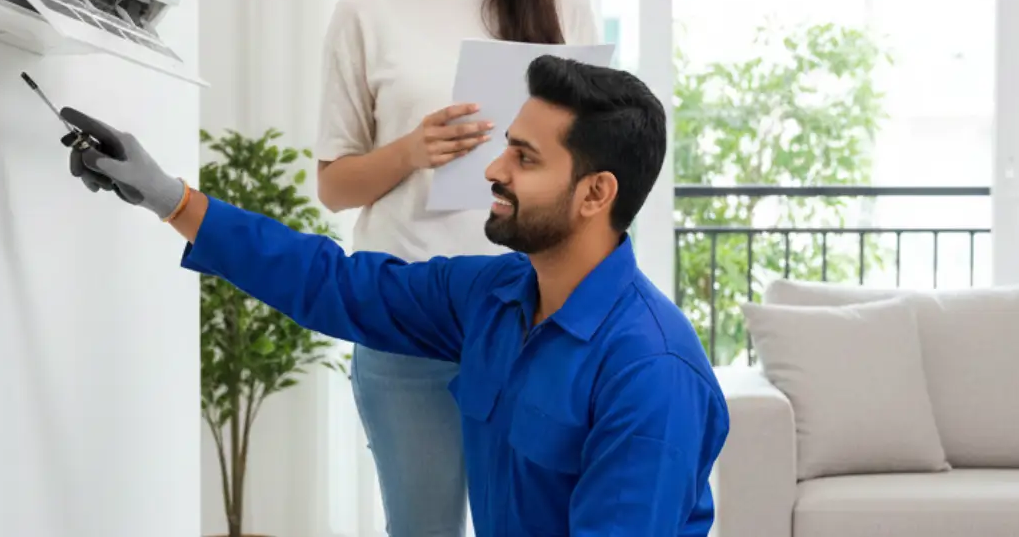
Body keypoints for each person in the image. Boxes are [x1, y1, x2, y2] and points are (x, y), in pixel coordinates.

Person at [57, 55, 730, 537]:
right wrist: (170, 198)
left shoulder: (652, 374)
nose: (493, 169)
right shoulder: (493, 296)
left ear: (595, 194)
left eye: (524, 158)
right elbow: (334, 283)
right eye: (507, 148)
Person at [313, 0, 600, 536]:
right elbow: (334, 186)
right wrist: (411, 151)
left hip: (532, 312)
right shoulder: (367, 8)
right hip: (405, 309)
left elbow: (594, 163)